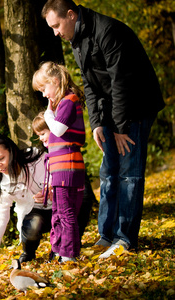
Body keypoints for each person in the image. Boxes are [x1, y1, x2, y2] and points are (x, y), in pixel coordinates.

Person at [41, 0, 165, 258]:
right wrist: (96, 122)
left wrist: (120, 127)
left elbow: (121, 81)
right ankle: (106, 235)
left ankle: (125, 238)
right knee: (108, 172)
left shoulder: (108, 31)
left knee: (129, 174)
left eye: (56, 25)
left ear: (71, 15)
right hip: (111, 111)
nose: (55, 32)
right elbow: (90, 83)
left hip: (138, 105)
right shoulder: (77, 38)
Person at [32, 61, 86, 262]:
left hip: (67, 168)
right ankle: (60, 250)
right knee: (59, 211)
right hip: (62, 169)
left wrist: (48, 115)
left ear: (55, 81)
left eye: (44, 88)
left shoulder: (69, 100)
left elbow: (59, 129)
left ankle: (70, 254)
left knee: (66, 213)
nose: (44, 94)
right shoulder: (64, 103)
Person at [0, 135, 52, 267]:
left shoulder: (36, 158)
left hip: (61, 204)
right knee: (32, 224)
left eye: (1, 158)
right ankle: (28, 253)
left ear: (12, 151)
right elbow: (0, 216)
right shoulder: (4, 184)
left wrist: (51, 190)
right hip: (36, 214)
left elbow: (57, 172)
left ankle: (63, 248)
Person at [32, 111, 95, 243]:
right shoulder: (50, 149)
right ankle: (66, 242)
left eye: (43, 133)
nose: (41, 138)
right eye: (39, 135)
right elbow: (52, 169)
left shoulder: (64, 143)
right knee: (65, 214)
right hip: (62, 184)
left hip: (74, 179)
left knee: (81, 206)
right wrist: (50, 185)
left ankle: (74, 240)